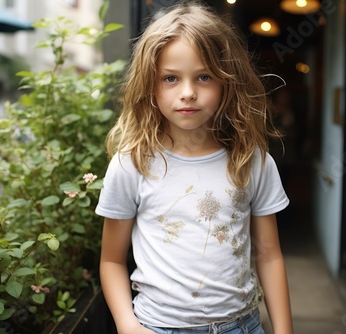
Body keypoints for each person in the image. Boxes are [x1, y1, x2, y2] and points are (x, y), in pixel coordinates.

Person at [96, 1, 293, 333]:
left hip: (241, 327)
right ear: (149, 85)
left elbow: (269, 255)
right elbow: (111, 260)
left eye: (203, 76)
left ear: (226, 82)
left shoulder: (251, 160)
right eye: (170, 78)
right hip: (156, 327)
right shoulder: (132, 164)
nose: (187, 93)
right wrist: (128, 325)